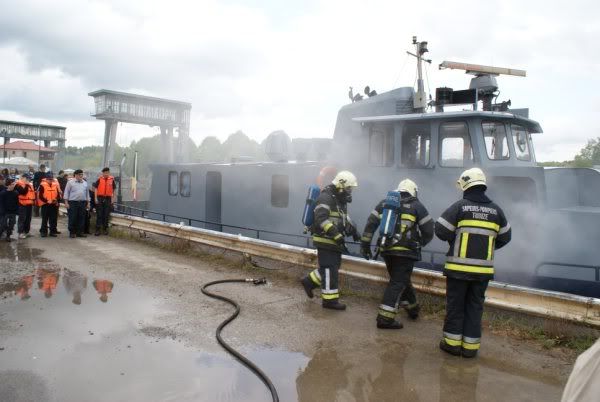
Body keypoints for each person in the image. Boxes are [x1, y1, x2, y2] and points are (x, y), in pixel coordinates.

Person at [435, 168, 511, 358]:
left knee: (456, 306)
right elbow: (505, 237)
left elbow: (440, 230)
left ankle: (452, 344)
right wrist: (487, 246)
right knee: (475, 307)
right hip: (482, 272)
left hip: (457, 270)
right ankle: (470, 349)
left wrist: (455, 240)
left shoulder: (460, 207)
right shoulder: (496, 210)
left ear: (465, 185)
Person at [360, 179, 434, 329]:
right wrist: (420, 242)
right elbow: (429, 230)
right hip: (406, 253)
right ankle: (385, 319)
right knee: (398, 282)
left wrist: (365, 245)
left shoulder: (384, 204)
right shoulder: (417, 206)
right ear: (413, 191)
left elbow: (370, 224)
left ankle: (413, 309)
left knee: (401, 280)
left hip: (386, 250)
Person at [300, 170, 360, 310]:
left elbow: (344, 219)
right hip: (325, 239)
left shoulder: (339, 200)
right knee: (329, 269)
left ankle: (308, 282)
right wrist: (336, 234)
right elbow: (321, 219)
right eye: (348, 188)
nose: (350, 191)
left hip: (333, 240)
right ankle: (329, 301)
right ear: (341, 185)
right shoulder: (326, 197)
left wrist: (355, 232)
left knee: (331, 268)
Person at [64, 169, 90, 238]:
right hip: (73, 202)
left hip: (82, 202)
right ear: (75, 175)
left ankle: (80, 232)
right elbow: (66, 193)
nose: (81, 176)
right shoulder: (70, 182)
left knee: (81, 218)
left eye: (81, 174)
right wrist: (66, 203)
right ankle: (72, 232)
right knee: (73, 217)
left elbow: (87, 193)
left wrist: (88, 203)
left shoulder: (85, 183)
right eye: (79, 174)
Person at [94, 167, 116, 236]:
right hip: (100, 198)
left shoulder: (112, 180)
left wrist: (113, 199)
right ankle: (97, 230)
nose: (106, 174)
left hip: (108, 199)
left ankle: (105, 229)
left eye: (107, 172)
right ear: (103, 173)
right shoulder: (99, 179)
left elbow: (114, 190)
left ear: (109, 173)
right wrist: (95, 198)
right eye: (105, 172)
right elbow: (96, 189)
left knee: (106, 214)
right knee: (99, 214)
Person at [38, 171, 60, 237]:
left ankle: (52, 232)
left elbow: (58, 194)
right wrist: (47, 201)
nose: (50, 180)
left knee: (53, 219)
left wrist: (56, 200)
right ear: (46, 179)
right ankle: (43, 232)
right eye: (49, 179)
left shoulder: (55, 185)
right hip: (45, 205)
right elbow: (40, 196)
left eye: (51, 179)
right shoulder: (42, 185)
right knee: (45, 219)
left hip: (53, 204)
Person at [15, 173, 35, 239]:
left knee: (28, 219)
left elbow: (32, 194)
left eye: (28, 178)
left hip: (29, 204)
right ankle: (20, 232)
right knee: (22, 219)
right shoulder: (18, 185)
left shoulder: (29, 185)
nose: (28, 179)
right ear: (22, 177)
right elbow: (23, 192)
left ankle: (26, 231)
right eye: (27, 178)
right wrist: (26, 184)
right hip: (22, 204)